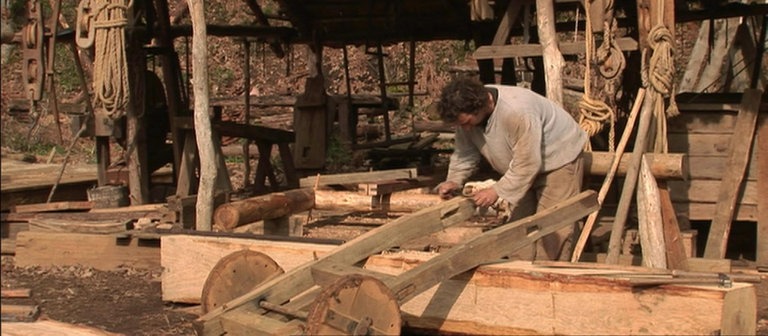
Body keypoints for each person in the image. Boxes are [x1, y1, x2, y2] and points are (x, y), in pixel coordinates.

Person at [436, 76, 587, 261]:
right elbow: (465, 153)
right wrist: (454, 179)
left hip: (558, 159)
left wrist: (497, 190)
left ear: (480, 106)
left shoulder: (517, 111)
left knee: (554, 225)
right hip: (520, 166)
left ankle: (552, 280)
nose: (465, 128)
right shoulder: (464, 113)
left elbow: (528, 164)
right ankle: (520, 272)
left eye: (466, 123)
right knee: (518, 229)